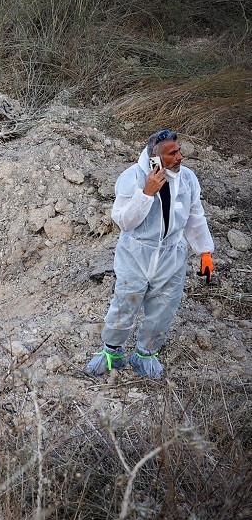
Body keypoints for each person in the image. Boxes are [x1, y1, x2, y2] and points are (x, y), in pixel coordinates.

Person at [84, 130, 214, 379]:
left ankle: (145, 355)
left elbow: (195, 217)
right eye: (172, 153)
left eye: (179, 150)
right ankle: (111, 352)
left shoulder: (187, 179)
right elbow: (124, 222)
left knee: (164, 308)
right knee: (125, 304)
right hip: (136, 254)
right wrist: (146, 193)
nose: (180, 157)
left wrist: (205, 252)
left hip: (171, 256)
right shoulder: (132, 177)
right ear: (155, 158)